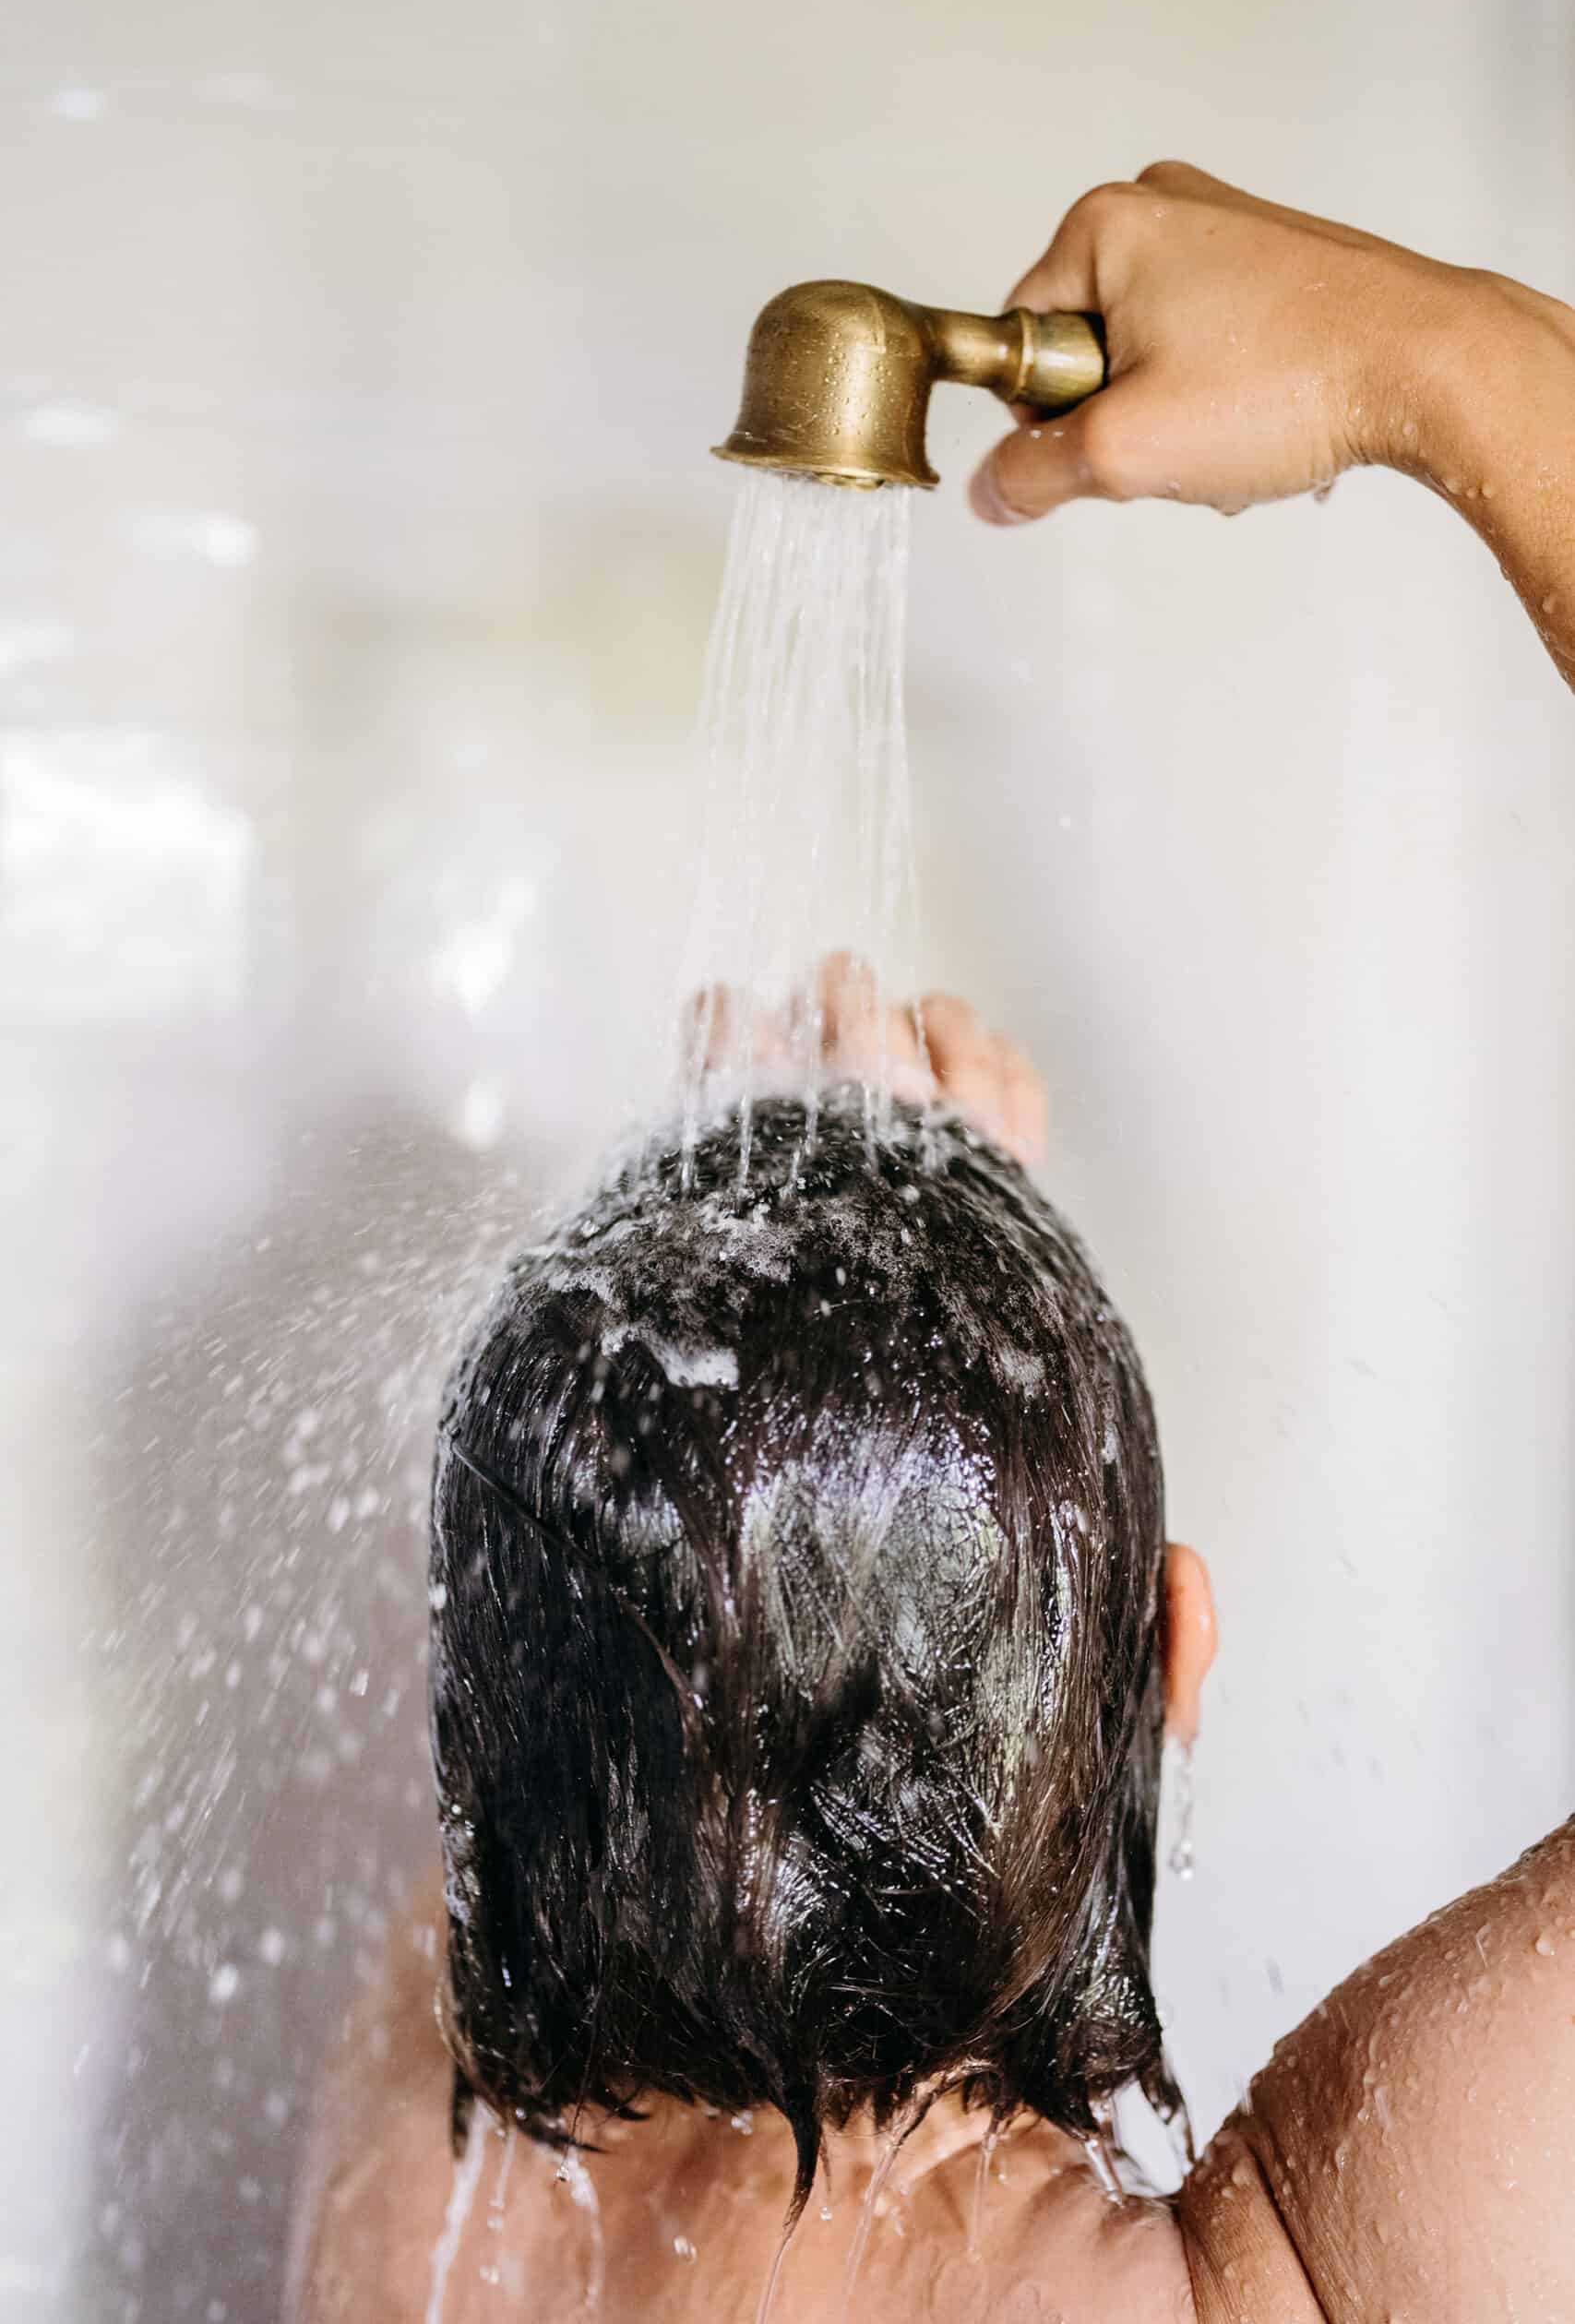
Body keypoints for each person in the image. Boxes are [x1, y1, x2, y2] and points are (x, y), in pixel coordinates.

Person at [289, 167, 1575, 2322]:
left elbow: (563, 1747)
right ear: (1169, 1665)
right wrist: (1440, 359)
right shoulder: (1294, 2272)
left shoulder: (420, 2204)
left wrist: (767, 1377)